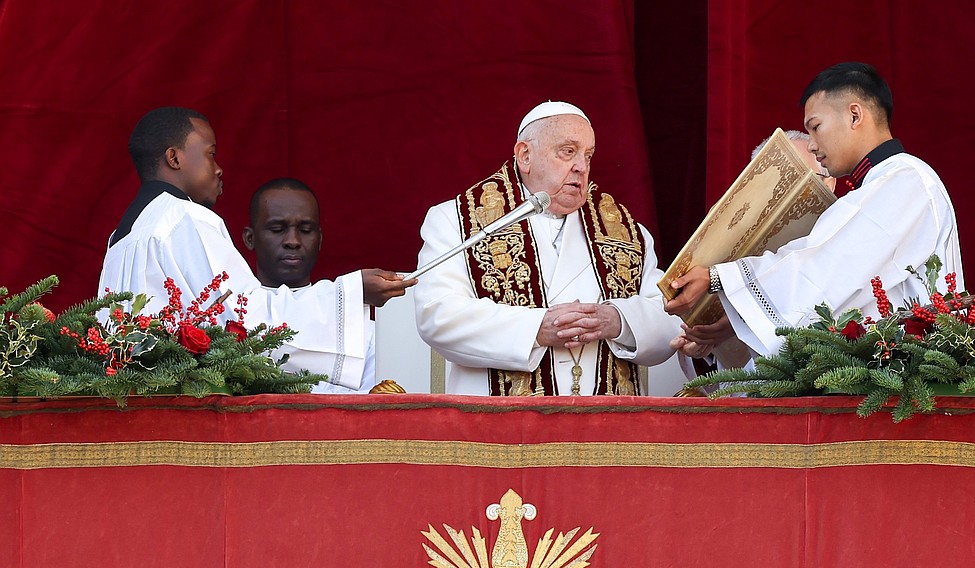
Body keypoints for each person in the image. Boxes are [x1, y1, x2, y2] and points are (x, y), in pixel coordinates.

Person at [99, 107, 413, 390]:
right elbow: (247, 320)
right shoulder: (186, 218)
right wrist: (353, 291)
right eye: (210, 154)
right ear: (175, 158)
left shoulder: (121, 237)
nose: (219, 168)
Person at [665, 63, 964, 359]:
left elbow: (825, 267)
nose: (812, 145)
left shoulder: (905, 180)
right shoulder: (882, 185)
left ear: (855, 115)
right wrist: (736, 319)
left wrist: (717, 277)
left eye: (816, 127)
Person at [414, 101, 680, 396]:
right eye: (568, 152)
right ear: (525, 156)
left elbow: (670, 316)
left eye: (588, 155)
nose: (581, 166)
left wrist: (620, 321)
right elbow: (437, 313)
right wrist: (536, 328)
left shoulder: (627, 233)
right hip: (500, 431)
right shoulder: (458, 221)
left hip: (606, 429)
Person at [672, 131, 834, 369]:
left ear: (829, 184)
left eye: (801, 181)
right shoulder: (731, 231)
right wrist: (706, 343)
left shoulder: (843, 238)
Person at [242, 177, 375, 391]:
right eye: (277, 229)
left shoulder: (362, 331)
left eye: (305, 230)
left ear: (319, 239)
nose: (293, 241)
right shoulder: (226, 319)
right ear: (250, 238)